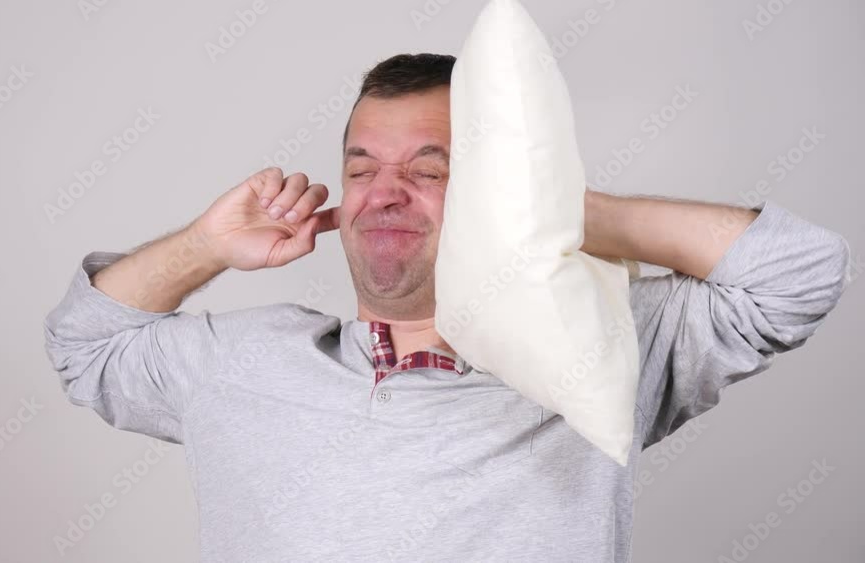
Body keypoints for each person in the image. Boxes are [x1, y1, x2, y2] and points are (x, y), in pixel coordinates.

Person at [42, 54, 851, 562]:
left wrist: (558, 212)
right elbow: (86, 344)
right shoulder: (245, 361)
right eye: (362, 169)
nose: (385, 193)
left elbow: (800, 273)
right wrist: (205, 244)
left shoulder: (597, 342)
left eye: (430, 170)